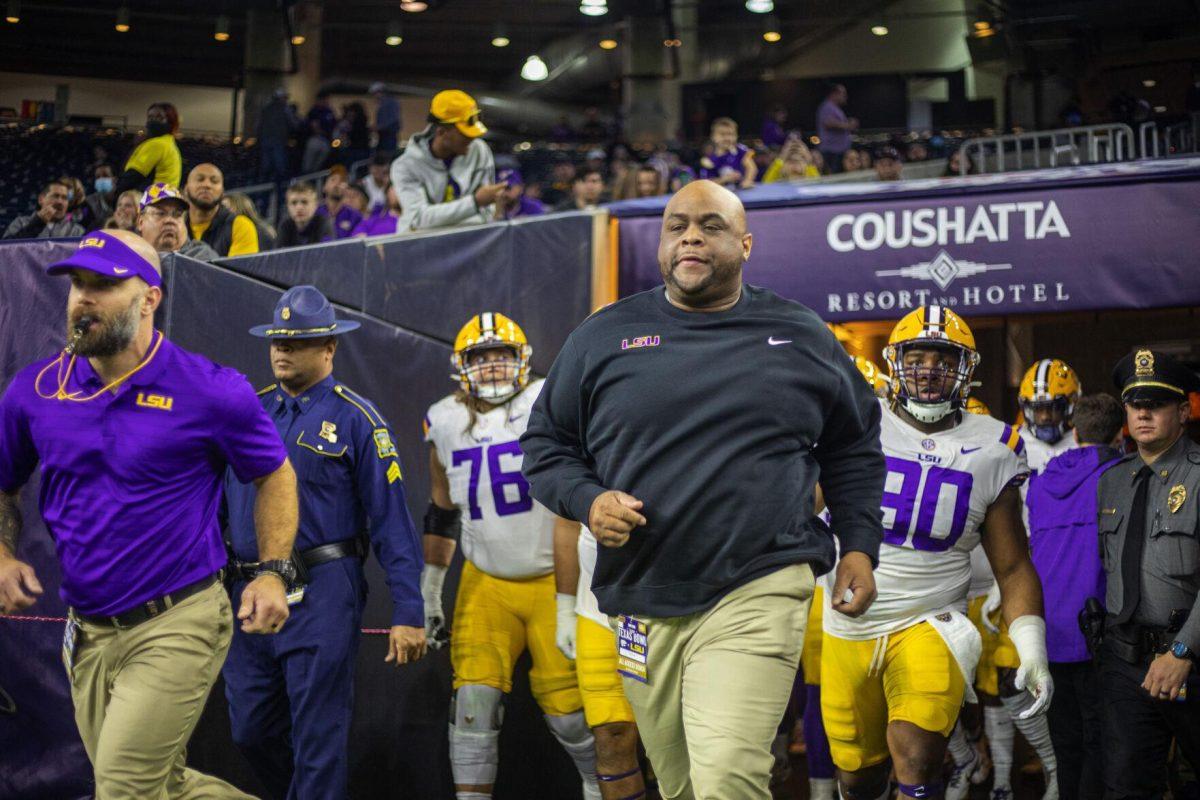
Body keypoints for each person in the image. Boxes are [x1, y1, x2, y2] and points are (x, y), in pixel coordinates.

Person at [520, 180, 886, 800]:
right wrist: (589, 500)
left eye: (710, 226)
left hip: (759, 584)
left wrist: (859, 544)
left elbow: (852, 447)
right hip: (640, 594)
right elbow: (546, 447)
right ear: (661, 245)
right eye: (677, 225)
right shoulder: (603, 335)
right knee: (682, 785)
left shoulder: (800, 335)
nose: (690, 235)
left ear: (745, 245)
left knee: (726, 779)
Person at [0, 229, 298, 797]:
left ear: (149, 298)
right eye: (77, 284)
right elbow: (2, 485)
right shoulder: (34, 391)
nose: (83, 298)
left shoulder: (212, 391)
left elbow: (275, 476)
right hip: (87, 631)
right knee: (161, 786)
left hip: (178, 618)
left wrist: (272, 570)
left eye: (104, 284)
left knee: (123, 788)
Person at [822, 306, 1053, 800]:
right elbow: (800, 507)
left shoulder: (995, 445)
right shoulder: (857, 422)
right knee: (857, 774)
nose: (929, 369)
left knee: (918, 756)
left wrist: (1031, 645)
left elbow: (1012, 565)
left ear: (965, 369)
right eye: (917, 357)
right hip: (849, 622)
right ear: (895, 363)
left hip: (933, 620)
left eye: (944, 359)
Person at [222, 285, 425, 799]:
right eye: (277, 340)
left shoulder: (358, 419)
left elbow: (392, 521)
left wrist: (408, 608)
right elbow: (216, 507)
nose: (282, 350)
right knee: (249, 729)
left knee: (319, 736)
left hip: (323, 589)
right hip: (246, 588)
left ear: (330, 348)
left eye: (297, 340)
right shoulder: (249, 412)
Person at [420, 313, 601, 799]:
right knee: (473, 704)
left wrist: (570, 602)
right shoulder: (444, 419)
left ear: (522, 359)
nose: (494, 366)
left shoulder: (547, 398)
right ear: (463, 365)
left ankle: (597, 785)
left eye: (502, 354)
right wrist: (432, 591)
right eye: (482, 356)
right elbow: (441, 510)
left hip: (553, 578)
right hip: (486, 582)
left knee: (569, 713)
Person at [1097, 348, 1200, 800]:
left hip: (1191, 660)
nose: (1142, 412)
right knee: (1124, 786)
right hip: (1127, 661)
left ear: (1183, 411)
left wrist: (1182, 650)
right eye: (1135, 403)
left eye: (1155, 403)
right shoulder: (1112, 480)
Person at [1026, 393, 1123, 800]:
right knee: (1102, 746)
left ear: (1075, 430)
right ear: (1122, 434)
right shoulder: (1120, 476)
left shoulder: (1041, 481)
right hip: (1097, 635)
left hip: (1049, 634)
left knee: (1065, 746)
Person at [554, 518, 648, 800]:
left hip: (657, 613)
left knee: (679, 738)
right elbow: (567, 523)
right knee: (612, 735)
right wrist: (565, 608)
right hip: (598, 612)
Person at [390, 89, 504, 232]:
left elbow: (486, 214)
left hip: (468, 241)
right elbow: (418, 219)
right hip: (422, 246)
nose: (472, 139)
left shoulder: (479, 150)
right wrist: (474, 202)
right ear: (441, 132)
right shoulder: (404, 166)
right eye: (465, 134)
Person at [184, 163, 261, 257]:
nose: (207, 185)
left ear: (222, 191)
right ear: (186, 189)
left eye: (214, 181)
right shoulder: (177, 226)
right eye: (200, 179)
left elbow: (238, 271)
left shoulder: (240, 225)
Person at [136, 182, 219, 262]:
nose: (170, 220)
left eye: (177, 215)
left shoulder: (203, 258)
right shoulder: (129, 254)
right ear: (140, 222)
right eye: (160, 213)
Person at [114, 102, 183, 198]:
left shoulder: (157, 144)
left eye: (159, 117)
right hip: (165, 200)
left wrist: (115, 195)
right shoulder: (170, 145)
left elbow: (133, 176)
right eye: (150, 117)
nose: (153, 120)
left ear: (170, 121)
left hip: (149, 201)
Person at [2, 179, 84, 239]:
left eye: (64, 198)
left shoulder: (76, 231)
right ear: (41, 199)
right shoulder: (21, 223)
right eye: (55, 196)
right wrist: (38, 223)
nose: (60, 202)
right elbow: (7, 252)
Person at [698, 117, 757, 189]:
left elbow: (751, 168)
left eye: (731, 134)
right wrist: (725, 179)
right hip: (719, 195)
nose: (727, 138)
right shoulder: (708, 161)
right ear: (713, 137)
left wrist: (747, 180)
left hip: (741, 193)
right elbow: (706, 184)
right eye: (722, 134)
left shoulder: (741, 150)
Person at [276, 182, 334, 248]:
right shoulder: (285, 226)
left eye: (304, 202)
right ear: (288, 206)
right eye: (294, 203)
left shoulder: (323, 223)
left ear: (315, 205)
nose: (299, 207)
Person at [817, 84, 858, 174]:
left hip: (838, 150)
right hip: (831, 150)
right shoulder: (827, 106)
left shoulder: (836, 108)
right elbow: (828, 123)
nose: (845, 97)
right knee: (833, 175)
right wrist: (848, 125)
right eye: (843, 94)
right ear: (834, 94)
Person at [317, 169, 364, 240]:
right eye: (333, 180)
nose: (337, 184)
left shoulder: (355, 215)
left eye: (342, 181)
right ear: (324, 187)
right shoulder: (315, 214)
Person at [77, 164, 115, 230]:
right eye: (98, 177)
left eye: (105, 175)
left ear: (114, 179)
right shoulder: (89, 201)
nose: (101, 179)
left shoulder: (123, 199)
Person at [370, 82, 402, 154]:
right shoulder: (383, 104)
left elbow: (392, 120)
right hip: (384, 136)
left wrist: (379, 127)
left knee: (386, 156)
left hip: (389, 136)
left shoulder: (390, 103)